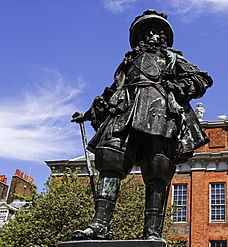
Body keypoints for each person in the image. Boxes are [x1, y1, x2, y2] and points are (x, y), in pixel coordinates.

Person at [71, 9, 213, 241]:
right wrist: (89, 114)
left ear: (163, 38)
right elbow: (112, 93)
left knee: (158, 168)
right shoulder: (128, 62)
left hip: (159, 113)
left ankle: (152, 232)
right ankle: (99, 225)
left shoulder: (173, 59)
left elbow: (201, 79)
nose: (151, 36)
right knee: (110, 159)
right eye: (146, 32)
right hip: (126, 112)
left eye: (156, 32)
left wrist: (178, 87)